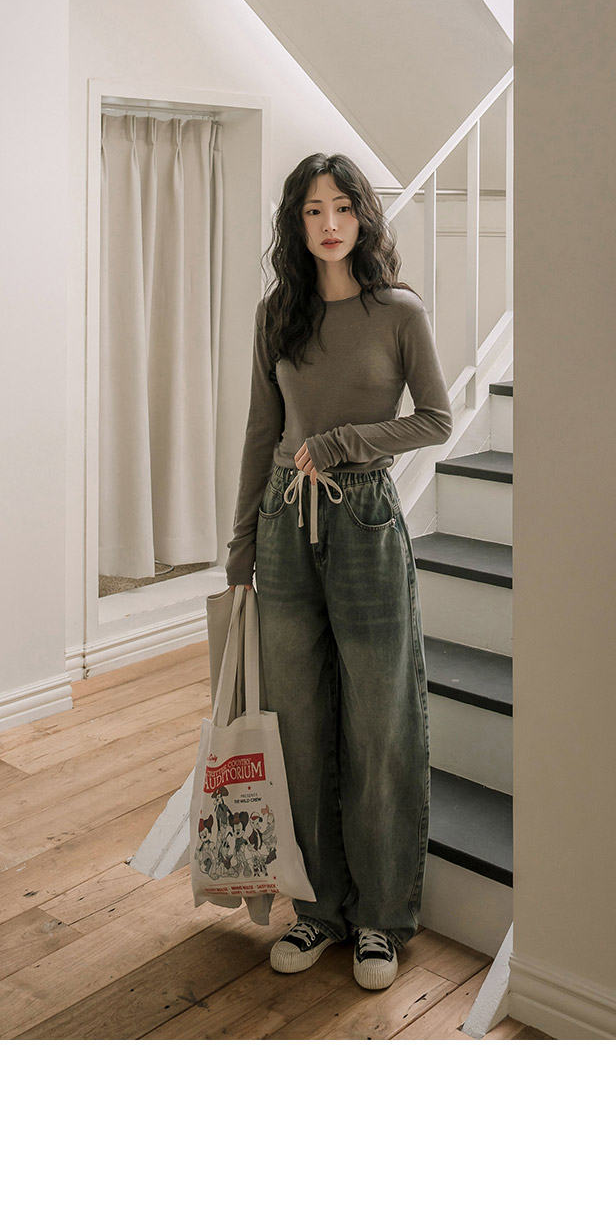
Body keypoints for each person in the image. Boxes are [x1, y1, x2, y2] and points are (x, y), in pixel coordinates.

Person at [226, 151, 452, 990]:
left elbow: (436, 417)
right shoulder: (277, 313)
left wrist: (346, 442)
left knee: (379, 722)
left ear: (363, 216)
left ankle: (381, 918)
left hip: (364, 519)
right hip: (283, 523)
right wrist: (240, 547)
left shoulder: (399, 311)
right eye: (313, 209)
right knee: (297, 723)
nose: (329, 223)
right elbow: (262, 431)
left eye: (343, 207)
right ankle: (318, 908)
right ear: (297, 221)